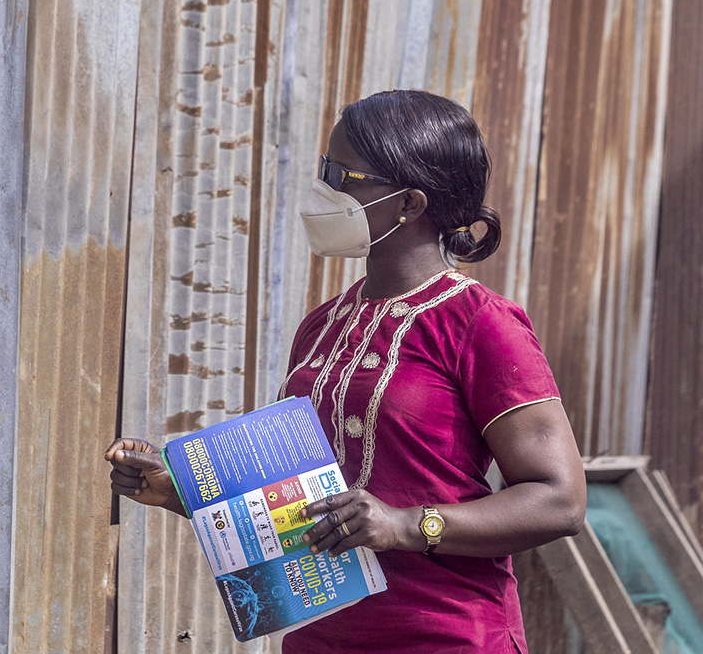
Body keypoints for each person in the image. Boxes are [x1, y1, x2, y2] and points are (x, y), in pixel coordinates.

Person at [106, 90, 586, 652]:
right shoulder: (322, 327)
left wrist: (408, 524)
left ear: (408, 204)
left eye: (343, 175)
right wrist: (185, 494)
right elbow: (305, 499)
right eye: (323, 169)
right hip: (322, 635)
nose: (324, 189)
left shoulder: (481, 324)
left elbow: (561, 499)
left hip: (446, 635)